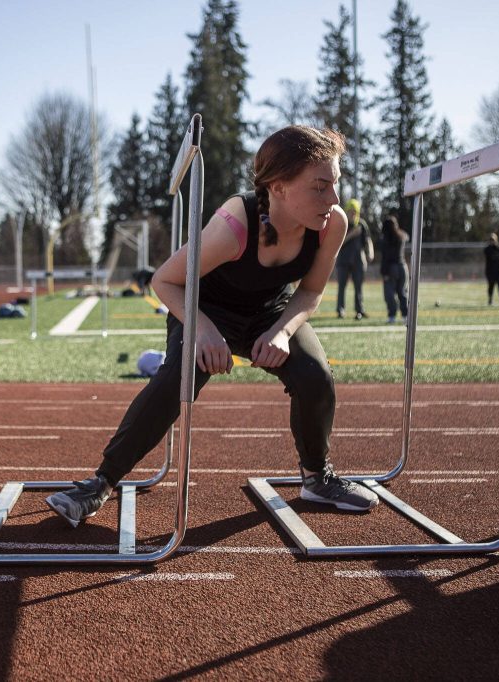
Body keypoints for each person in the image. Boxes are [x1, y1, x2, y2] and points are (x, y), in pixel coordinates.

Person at [45, 125, 379, 528]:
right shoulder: (234, 225)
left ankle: (316, 477)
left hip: (269, 312)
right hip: (203, 307)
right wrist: (202, 329)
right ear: (278, 187)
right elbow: (165, 281)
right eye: (320, 187)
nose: (334, 198)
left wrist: (282, 332)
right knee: (177, 378)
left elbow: (309, 293)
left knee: (315, 375)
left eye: (335, 185)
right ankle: (99, 484)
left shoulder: (333, 224)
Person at [335, 198, 374, 319]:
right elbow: (337, 243)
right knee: (342, 286)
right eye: (350, 211)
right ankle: (340, 310)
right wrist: (352, 234)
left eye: (354, 211)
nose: (352, 213)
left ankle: (359, 310)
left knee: (358, 287)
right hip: (343, 261)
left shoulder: (362, 224)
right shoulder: (342, 223)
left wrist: (370, 252)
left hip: (358, 261)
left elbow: (368, 240)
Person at [379, 216, 409, 324]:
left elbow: (385, 257)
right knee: (402, 293)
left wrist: (384, 272)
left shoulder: (385, 240)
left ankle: (392, 315)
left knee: (389, 294)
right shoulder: (401, 237)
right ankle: (406, 315)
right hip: (403, 267)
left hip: (391, 268)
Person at [483, 233, 499, 305]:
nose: (492, 241)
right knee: (491, 286)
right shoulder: (487, 249)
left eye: (493, 240)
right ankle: (490, 300)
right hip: (490, 271)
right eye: (490, 240)